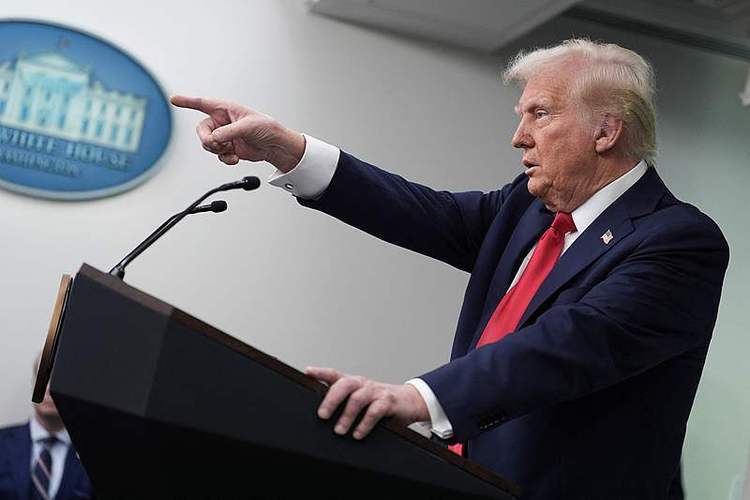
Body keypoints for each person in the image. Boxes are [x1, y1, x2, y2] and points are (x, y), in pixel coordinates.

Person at [172, 38, 729, 499]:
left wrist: (420, 397)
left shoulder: (679, 241)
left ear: (605, 132)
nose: (519, 136)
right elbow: (422, 213)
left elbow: (574, 341)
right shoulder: (526, 209)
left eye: (540, 114)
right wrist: (287, 150)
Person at [0, 360, 92, 500]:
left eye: (58, 380)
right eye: (43, 378)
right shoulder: (2, 443)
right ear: (33, 385)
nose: (48, 389)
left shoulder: (95, 454)